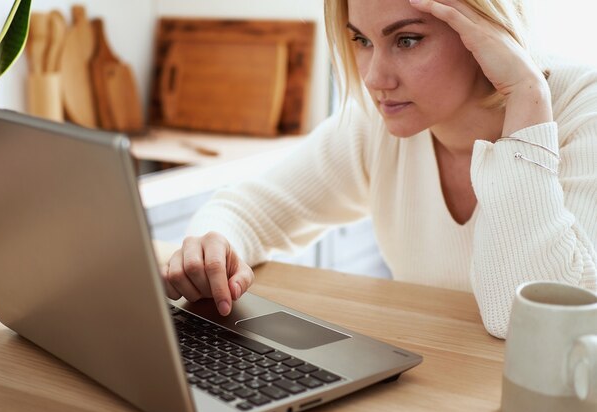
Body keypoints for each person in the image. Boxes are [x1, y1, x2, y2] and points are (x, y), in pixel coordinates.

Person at [163, 0, 597, 339]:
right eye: (361, 40)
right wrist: (212, 247)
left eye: (407, 40)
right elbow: (249, 210)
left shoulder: (582, 110)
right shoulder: (378, 125)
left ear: (488, 29)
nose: (374, 77)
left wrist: (525, 96)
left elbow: (532, 322)